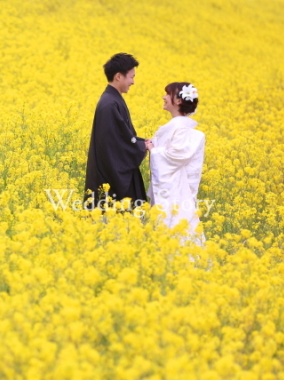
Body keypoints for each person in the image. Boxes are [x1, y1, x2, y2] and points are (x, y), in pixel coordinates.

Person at [85, 53, 150, 209]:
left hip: (110, 179)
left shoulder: (112, 99)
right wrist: (141, 146)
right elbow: (115, 145)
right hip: (110, 182)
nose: (133, 82)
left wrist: (141, 143)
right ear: (119, 77)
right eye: (131, 77)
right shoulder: (109, 104)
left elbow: (120, 138)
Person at [145, 82, 205, 241]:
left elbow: (176, 156)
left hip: (176, 191)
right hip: (172, 189)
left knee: (174, 229)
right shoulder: (176, 127)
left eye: (167, 94)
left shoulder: (181, 128)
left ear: (178, 101)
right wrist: (155, 144)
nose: (163, 97)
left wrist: (153, 150)